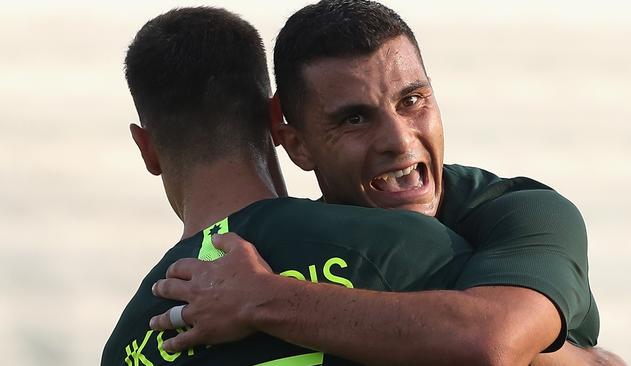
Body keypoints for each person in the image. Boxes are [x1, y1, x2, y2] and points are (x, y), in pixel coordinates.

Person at [149, 1, 624, 365]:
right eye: (355, 118)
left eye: (413, 100)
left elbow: (491, 342)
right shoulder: (282, 250)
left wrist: (265, 301)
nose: (399, 140)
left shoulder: (523, 211)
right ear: (295, 144)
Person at [101, 6, 481, 366]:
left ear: (146, 148)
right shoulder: (404, 244)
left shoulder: (127, 344)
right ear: (276, 118)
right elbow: (498, 342)